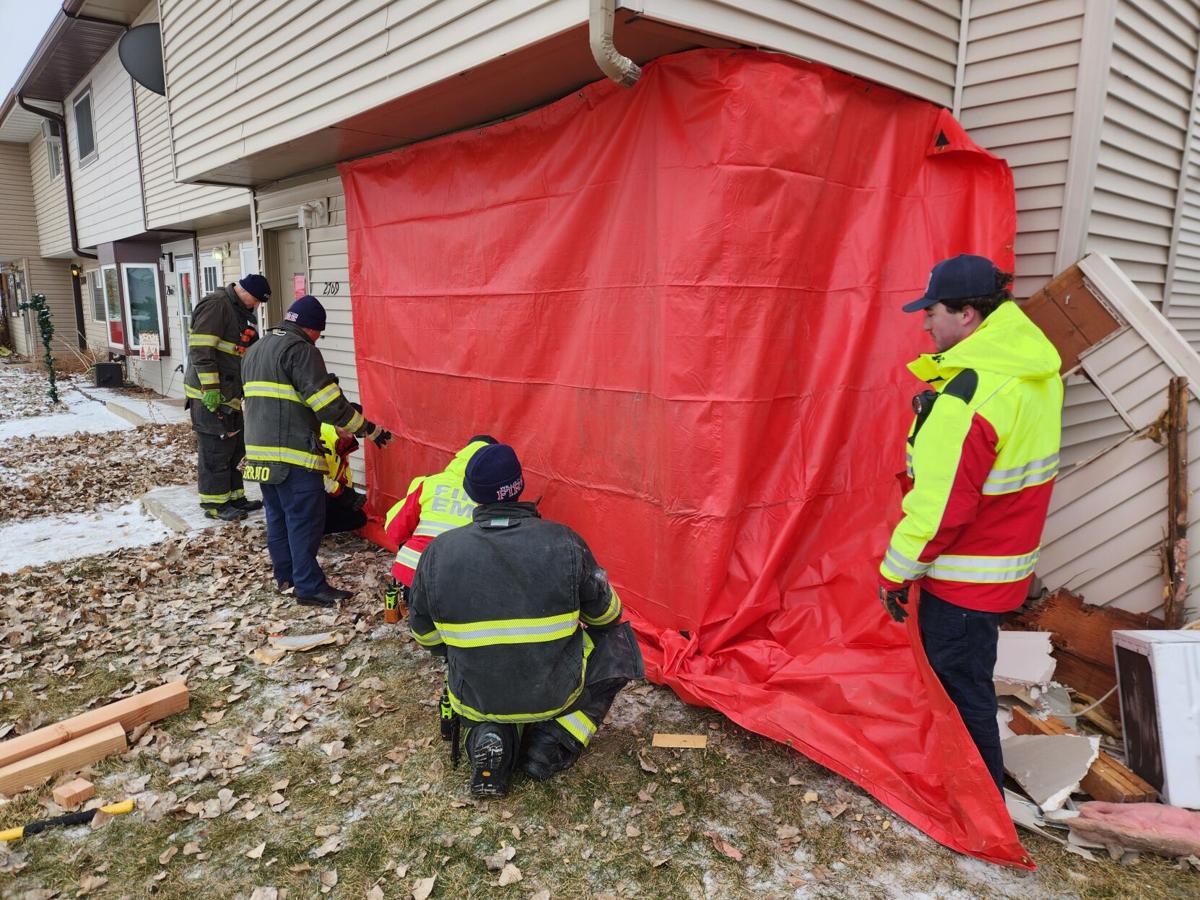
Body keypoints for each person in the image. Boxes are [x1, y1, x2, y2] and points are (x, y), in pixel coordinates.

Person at [877, 254, 1063, 793]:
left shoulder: (971, 393)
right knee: (970, 679)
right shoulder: (1030, 370)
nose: (925, 322)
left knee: (960, 687)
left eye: (932, 311)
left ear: (966, 315)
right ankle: (978, 786)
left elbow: (941, 509)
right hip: (1002, 565)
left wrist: (895, 572)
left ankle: (979, 802)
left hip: (964, 577)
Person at [409, 443, 643, 797]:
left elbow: (424, 635)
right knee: (618, 644)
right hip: (555, 692)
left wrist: (467, 655)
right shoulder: (564, 542)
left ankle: (484, 735)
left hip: (476, 693)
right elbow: (607, 616)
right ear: (519, 486)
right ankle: (554, 740)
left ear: (472, 493)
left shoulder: (438, 553)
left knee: (480, 690)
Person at [241, 295, 394, 607]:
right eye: (319, 334)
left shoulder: (256, 349)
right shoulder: (300, 350)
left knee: (279, 518)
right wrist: (368, 429)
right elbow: (327, 405)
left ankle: (286, 577)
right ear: (312, 329)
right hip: (292, 454)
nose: (318, 340)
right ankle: (309, 586)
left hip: (259, 453)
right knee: (304, 521)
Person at [183, 274, 272, 520]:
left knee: (234, 448)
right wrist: (210, 388)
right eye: (255, 300)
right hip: (209, 395)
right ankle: (214, 504)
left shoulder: (240, 311)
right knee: (215, 450)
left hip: (230, 394)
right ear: (243, 291)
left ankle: (234, 497)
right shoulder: (216, 305)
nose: (256, 306)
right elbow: (201, 350)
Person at [382, 435, 497, 606]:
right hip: (459, 584)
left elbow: (394, 530)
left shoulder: (428, 483)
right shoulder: (493, 496)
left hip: (413, 576)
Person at [318, 421, 368, 535]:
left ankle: (314, 529)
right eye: (346, 425)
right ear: (335, 423)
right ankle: (305, 530)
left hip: (325, 491)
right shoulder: (322, 439)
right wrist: (342, 492)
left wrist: (352, 498)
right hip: (304, 492)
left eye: (353, 426)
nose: (351, 431)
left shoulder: (343, 441)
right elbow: (316, 477)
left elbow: (344, 474)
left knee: (358, 518)